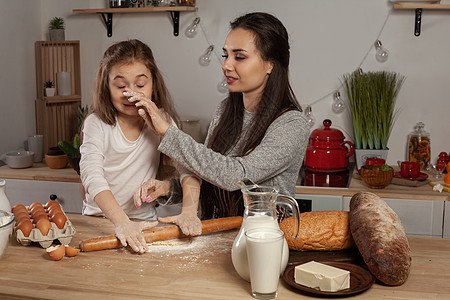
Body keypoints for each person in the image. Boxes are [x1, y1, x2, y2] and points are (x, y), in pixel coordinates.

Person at [132, 12, 309, 220]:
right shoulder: (225, 110)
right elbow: (210, 177)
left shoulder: (291, 124)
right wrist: (169, 188)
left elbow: (235, 175)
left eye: (240, 57)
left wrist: (167, 132)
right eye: (226, 55)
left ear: (270, 64)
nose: (226, 65)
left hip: (262, 244)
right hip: (217, 239)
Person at [79, 39, 201, 254]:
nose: (130, 93)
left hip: (144, 224)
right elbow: (91, 175)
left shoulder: (162, 121)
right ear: (106, 86)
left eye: (140, 84)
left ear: (153, 84)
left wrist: (189, 212)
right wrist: (121, 222)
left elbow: (188, 167)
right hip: (101, 223)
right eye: (120, 85)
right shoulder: (96, 123)